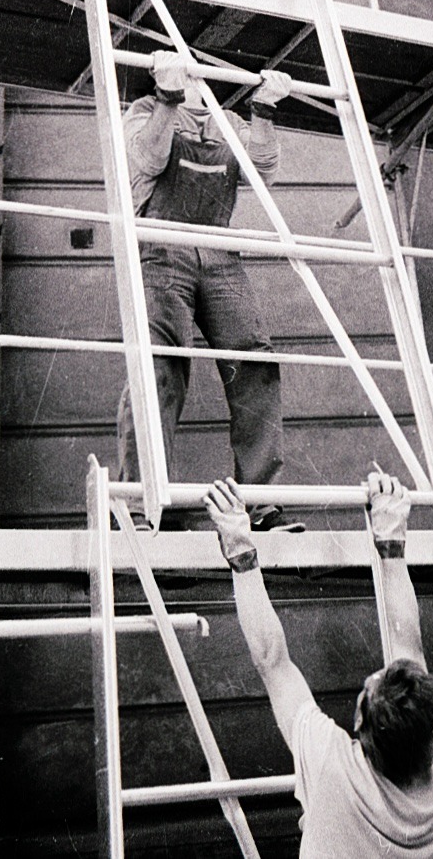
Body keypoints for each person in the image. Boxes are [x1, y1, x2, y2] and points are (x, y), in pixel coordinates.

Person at [205, 472, 433, 859]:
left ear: (359, 730)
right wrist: (390, 544)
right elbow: (408, 647)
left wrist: (239, 548)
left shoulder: (335, 769)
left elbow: (274, 661)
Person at [117, 51, 304, 532]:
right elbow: (148, 157)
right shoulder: (142, 111)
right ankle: (141, 507)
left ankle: (262, 503)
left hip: (219, 250)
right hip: (163, 245)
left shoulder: (229, 123)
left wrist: (264, 111)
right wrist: (167, 99)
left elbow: (261, 171)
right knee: (160, 367)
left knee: (254, 363)